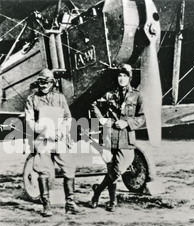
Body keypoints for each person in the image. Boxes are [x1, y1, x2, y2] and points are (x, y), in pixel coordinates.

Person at [25, 68, 80, 217]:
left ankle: (70, 203)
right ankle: (46, 205)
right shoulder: (32, 99)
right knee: (44, 171)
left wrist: (62, 131)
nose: (44, 85)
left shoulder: (60, 98)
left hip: (59, 138)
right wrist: (44, 132)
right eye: (41, 82)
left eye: (47, 82)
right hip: (43, 140)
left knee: (69, 167)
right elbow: (29, 122)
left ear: (52, 83)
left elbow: (68, 117)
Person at [90, 64, 146, 212]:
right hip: (110, 136)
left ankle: (97, 190)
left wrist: (127, 122)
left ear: (130, 77)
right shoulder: (109, 94)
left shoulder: (137, 95)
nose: (122, 79)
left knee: (118, 169)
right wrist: (102, 120)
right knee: (111, 168)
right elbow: (94, 105)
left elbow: (142, 117)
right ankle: (112, 201)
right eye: (120, 76)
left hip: (126, 138)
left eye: (125, 76)